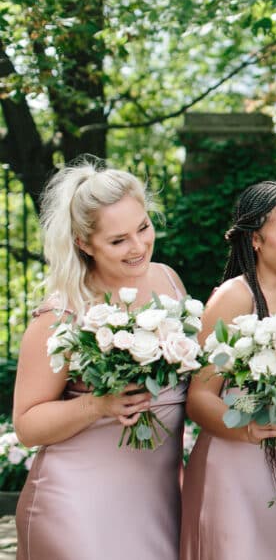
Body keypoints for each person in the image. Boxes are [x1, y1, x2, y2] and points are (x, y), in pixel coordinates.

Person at [13, 158, 188, 559]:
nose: (139, 246)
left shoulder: (169, 282)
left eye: (143, 228)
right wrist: (98, 405)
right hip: (78, 509)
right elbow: (26, 424)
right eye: (118, 240)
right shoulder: (61, 315)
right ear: (83, 243)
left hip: (159, 501)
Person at [180, 181, 276, 559]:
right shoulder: (235, 297)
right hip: (234, 468)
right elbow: (198, 397)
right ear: (256, 239)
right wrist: (245, 428)